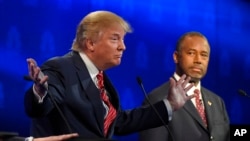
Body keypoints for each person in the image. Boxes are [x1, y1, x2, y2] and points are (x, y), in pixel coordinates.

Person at [24, 10, 195, 140]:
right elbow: (41, 107)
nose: (123, 47)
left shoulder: (100, 79)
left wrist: (170, 105)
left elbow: (119, 122)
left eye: (123, 40)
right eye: (115, 39)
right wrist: (40, 92)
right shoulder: (61, 67)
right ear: (91, 43)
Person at [139, 31, 230, 141]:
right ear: (176, 57)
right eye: (191, 53)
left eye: (204, 55)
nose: (198, 60)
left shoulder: (217, 102)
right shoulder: (157, 99)